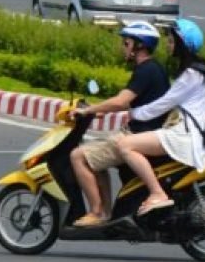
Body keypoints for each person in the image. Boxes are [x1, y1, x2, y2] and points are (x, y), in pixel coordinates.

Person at [112, 18, 205, 217]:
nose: (168, 45)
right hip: (189, 131)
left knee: (125, 145)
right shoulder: (202, 69)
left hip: (185, 136)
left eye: (171, 41)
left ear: (182, 44)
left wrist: (134, 113)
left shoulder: (191, 74)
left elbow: (163, 104)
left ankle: (157, 193)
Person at [69, 20, 170, 226]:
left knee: (78, 156)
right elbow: (137, 101)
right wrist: (100, 111)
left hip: (136, 135)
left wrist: (88, 110)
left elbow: (121, 101)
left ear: (139, 45)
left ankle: (98, 212)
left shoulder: (145, 70)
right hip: (146, 132)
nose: (123, 47)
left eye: (126, 43)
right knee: (94, 154)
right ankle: (106, 211)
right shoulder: (155, 69)